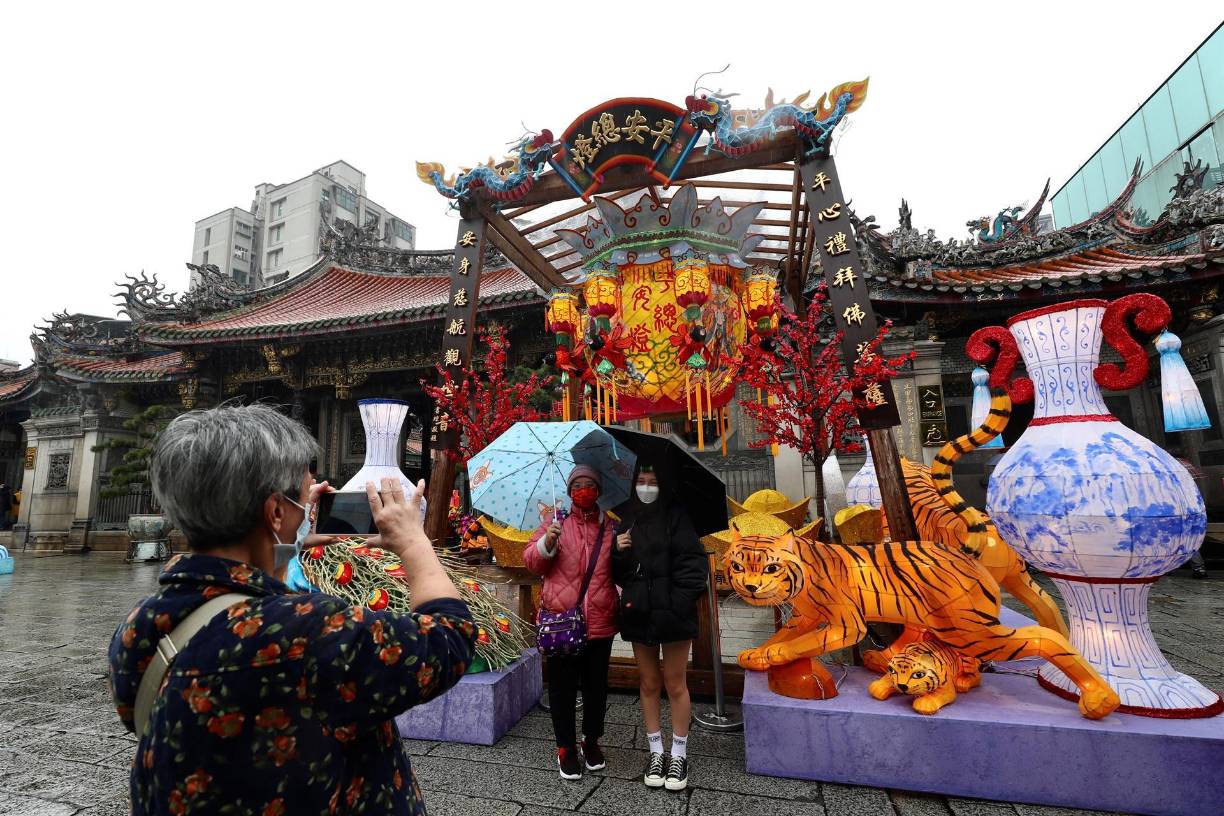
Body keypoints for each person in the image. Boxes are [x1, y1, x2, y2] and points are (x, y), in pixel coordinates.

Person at [108, 404, 476, 815]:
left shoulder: (141, 626)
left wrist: (288, 540)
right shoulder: (311, 632)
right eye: (302, 499)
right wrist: (413, 543)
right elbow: (450, 638)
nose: (307, 510)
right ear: (276, 511)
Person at [612, 462, 708, 792]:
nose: (646, 486)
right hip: (639, 611)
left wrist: (676, 603)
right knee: (649, 682)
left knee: (675, 682)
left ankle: (679, 753)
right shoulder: (628, 518)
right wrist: (618, 552)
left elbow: (694, 566)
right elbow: (618, 573)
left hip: (673, 614)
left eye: (652, 481)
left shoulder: (678, 516)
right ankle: (656, 752)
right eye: (641, 480)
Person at [523, 464, 618, 781]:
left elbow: (620, 569)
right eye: (577, 485)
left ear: (598, 490)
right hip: (562, 622)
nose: (583, 490)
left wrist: (622, 551)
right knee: (562, 689)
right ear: (568, 491)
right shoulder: (556, 522)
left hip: (601, 621)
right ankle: (565, 747)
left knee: (596, 689)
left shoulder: (611, 527)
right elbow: (531, 561)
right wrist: (546, 544)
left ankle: (591, 741)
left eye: (589, 484)